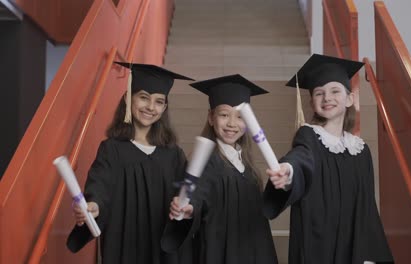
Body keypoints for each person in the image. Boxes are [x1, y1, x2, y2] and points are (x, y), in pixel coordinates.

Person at [263, 54, 394, 264]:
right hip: (319, 245)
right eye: (319, 93)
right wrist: (288, 171)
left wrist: (370, 254)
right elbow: (301, 158)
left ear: (350, 98)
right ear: (312, 103)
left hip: (354, 248)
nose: (327, 98)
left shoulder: (360, 150)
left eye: (335, 91)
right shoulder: (309, 136)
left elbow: (367, 208)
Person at [67, 62, 194, 263]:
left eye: (159, 101)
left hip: (164, 250)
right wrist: (93, 205)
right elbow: (99, 184)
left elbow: (188, 195)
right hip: (124, 246)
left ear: (165, 107)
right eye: (144, 97)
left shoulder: (174, 155)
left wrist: (187, 208)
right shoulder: (112, 149)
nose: (151, 107)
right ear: (128, 97)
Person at [161, 74, 278, 264]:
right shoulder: (206, 162)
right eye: (224, 115)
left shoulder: (248, 166)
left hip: (255, 250)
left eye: (240, 117)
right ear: (211, 117)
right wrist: (189, 208)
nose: (232, 123)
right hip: (221, 252)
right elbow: (196, 193)